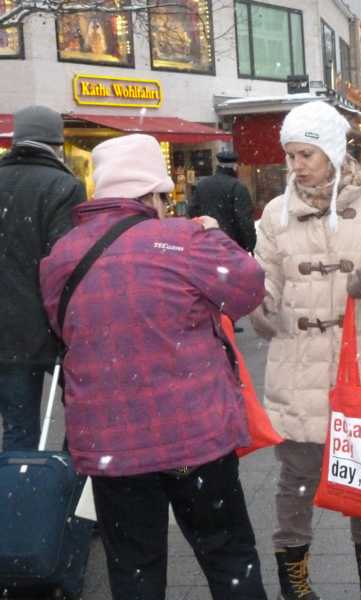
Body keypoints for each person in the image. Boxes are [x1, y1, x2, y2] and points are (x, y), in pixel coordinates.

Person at [38, 134, 269, 600]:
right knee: (228, 557)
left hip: (111, 445)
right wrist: (213, 235)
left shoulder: (62, 255)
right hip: (194, 438)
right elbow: (249, 288)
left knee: (134, 569)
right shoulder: (184, 239)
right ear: (152, 195)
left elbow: (64, 329)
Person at [249, 101, 361, 600]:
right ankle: (294, 579)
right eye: (291, 155)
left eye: (306, 153)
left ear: (331, 150)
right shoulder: (274, 214)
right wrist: (254, 303)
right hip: (296, 369)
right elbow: (267, 287)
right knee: (296, 483)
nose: (296, 165)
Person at [0, 105, 86, 451]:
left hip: (5, 331)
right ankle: (70, 489)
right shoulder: (64, 186)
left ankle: (19, 498)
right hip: (50, 324)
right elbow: (64, 262)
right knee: (86, 410)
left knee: (19, 428)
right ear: (57, 142)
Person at [188, 149, 257, 254]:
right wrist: (251, 245)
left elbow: (192, 211)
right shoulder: (238, 187)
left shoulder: (202, 184)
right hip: (231, 246)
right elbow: (244, 220)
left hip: (207, 244)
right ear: (235, 166)